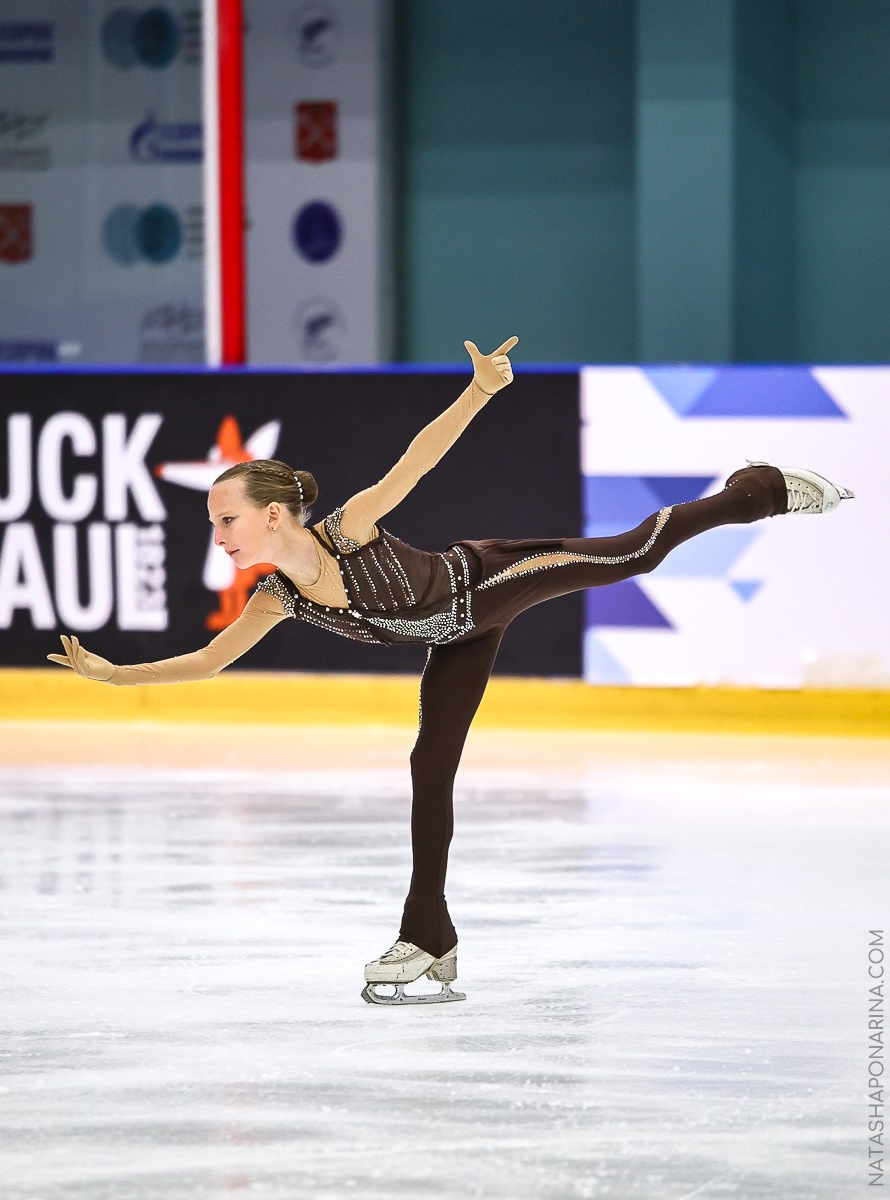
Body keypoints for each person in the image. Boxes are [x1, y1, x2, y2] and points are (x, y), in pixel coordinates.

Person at [48, 337, 854, 1006]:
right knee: (429, 765)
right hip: (456, 640)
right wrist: (115, 677)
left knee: (634, 553)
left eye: (225, 518)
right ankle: (428, 934)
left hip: (487, 581)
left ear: (271, 515)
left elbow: (416, 462)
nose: (217, 533)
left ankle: (756, 490)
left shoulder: (346, 532)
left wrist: (478, 391)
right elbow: (207, 662)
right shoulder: (274, 599)